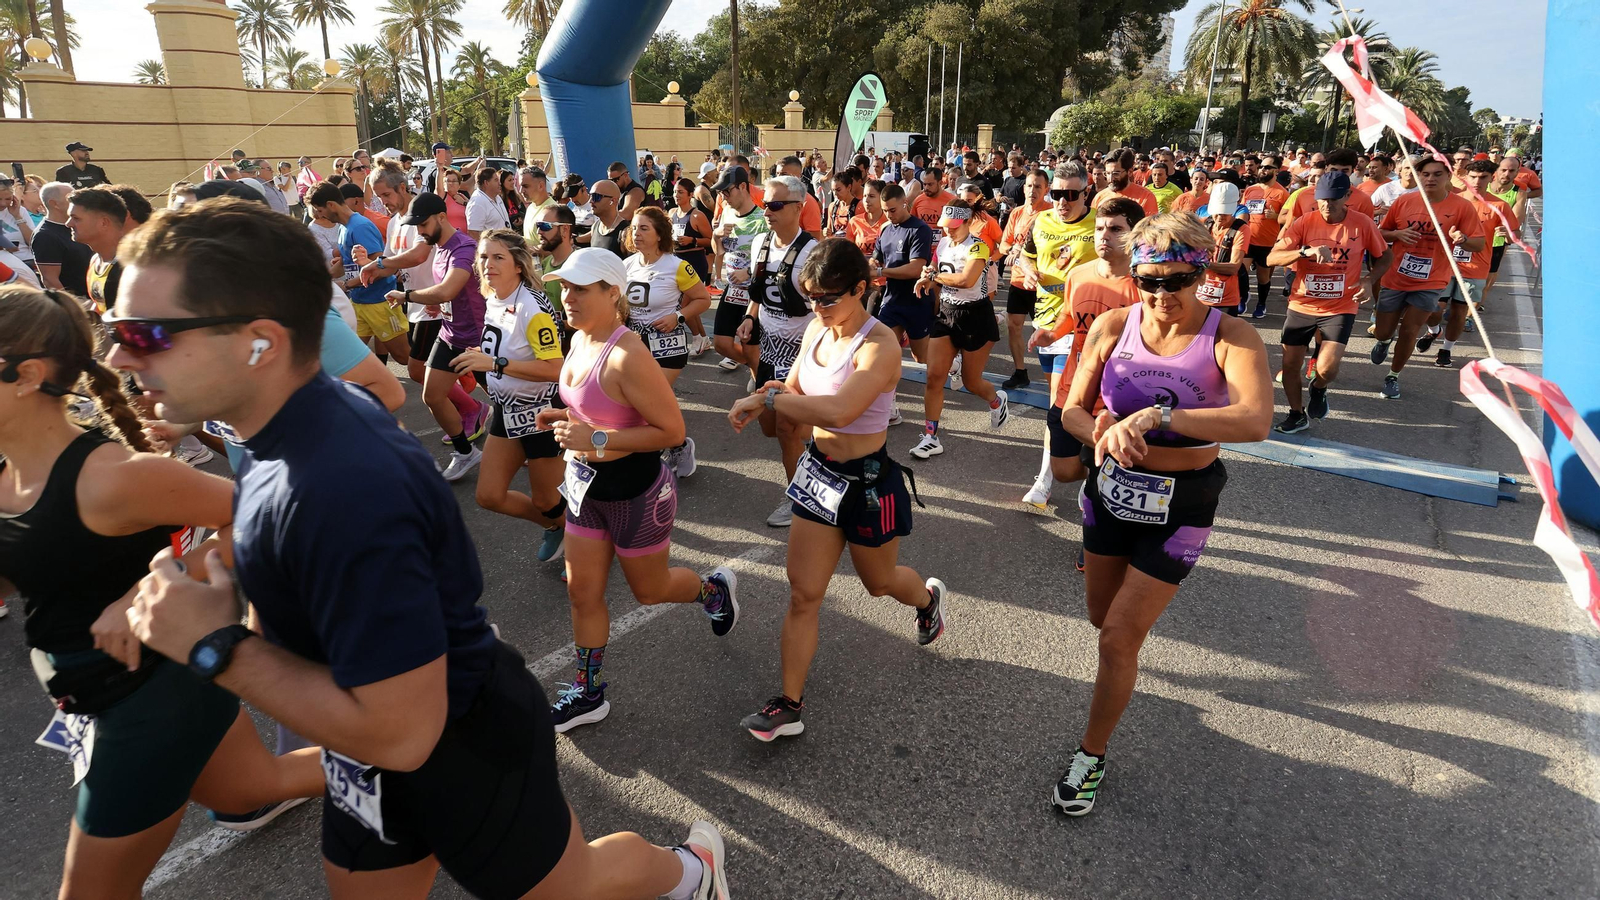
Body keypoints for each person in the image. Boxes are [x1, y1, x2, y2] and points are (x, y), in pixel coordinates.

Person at [116, 201, 733, 900]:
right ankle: (591, 686)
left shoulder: (344, 481)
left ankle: (690, 871)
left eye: (145, 332)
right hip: (364, 747)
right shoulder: (266, 435)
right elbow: (286, 561)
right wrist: (205, 589)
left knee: (574, 882)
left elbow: (403, 733)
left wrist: (212, 647)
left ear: (259, 341)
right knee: (581, 590)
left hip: (453, 741)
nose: (116, 355)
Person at [0, 284, 324, 897]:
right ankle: (428, 752)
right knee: (251, 788)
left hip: (146, 700)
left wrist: (154, 586)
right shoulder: (9, 476)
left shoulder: (113, 478)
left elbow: (271, 512)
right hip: (94, 693)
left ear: (27, 375)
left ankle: (426, 745)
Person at [1052, 211, 1271, 816]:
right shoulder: (1115, 326)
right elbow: (1071, 408)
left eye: (1175, 280)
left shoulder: (1231, 337)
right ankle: (1119, 672)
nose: (1160, 294)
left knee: (1119, 637)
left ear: (1200, 274)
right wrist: (1095, 425)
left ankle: (1090, 754)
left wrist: (1159, 417)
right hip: (1114, 492)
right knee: (1103, 620)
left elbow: (1255, 419)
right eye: (1148, 281)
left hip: (1185, 501)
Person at [726, 238, 944, 741]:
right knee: (804, 594)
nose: (818, 308)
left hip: (868, 480)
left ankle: (928, 600)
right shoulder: (816, 333)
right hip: (821, 475)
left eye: (828, 298)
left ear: (861, 290)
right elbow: (796, 391)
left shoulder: (880, 343)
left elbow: (839, 411)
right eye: (811, 299)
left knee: (880, 583)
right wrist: (763, 395)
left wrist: (773, 404)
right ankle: (788, 704)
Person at [535, 248, 739, 733]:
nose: (568, 297)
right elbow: (599, 410)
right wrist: (567, 419)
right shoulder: (579, 337)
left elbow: (671, 431)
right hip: (586, 488)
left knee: (650, 591)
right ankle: (588, 693)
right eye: (564, 287)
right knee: (582, 592)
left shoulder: (628, 354)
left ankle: (712, 590)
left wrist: (597, 438)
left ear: (613, 293)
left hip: (636, 491)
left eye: (580, 288)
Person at [445, 228, 571, 564]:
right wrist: (482, 357)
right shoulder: (495, 297)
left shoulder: (532, 307)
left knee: (547, 498)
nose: (488, 264)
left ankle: (585, 540)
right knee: (489, 495)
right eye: (484, 257)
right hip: (507, 408)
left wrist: (495, 362)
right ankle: (560, 528)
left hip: (542, 411)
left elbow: (556, 368)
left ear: (518, 264)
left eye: (498, 257)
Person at [1022, 198, 1146, 511]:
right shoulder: (1079, 275)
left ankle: (1098, 502)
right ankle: (1092, 474)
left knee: (1112, 470)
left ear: (1134, 235)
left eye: (1116, 229)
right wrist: (1052, 333)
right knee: (1063, 471)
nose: (1104, 235)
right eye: (1100, 228)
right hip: (1073, 390)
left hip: (1120, 399)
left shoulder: (1145, 286)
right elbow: (1069, 316)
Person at [372, 192, 494, 478]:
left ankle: (535, 444)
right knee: (432, 395)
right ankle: (466, 453)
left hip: (477, 340)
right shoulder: (439, 247)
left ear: (441, 217)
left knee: (508, 398)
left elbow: (449, 288)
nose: (420, 232)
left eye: (423, 225)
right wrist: (438, 304)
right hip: (451, 334)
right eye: (416, 226)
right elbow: (450, 294)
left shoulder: (464, 247)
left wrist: (409, 296)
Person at [1265, 171, 1391, 432]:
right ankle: (1297, 414)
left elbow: (1385, 257)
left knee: (1327, 368)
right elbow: (1271, 259)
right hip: (1302, 304)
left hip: (1341, 306)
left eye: (1333, 199)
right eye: (1322, 199)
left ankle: (1319, 388)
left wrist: (1369, 280)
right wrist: (1303, 251)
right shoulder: (1304, 222)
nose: (1326, 205)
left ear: (1347, 196)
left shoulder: (1362, 224)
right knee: (1289, 365)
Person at [735, 176, 819, 526]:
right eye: (764, 203)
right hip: (769, 349)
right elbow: (759, 293)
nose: (766, 211)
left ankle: (799, 498)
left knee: (785, 429)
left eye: (775, 205)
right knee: (770, 427)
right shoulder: (761, 243)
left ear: (799, 208)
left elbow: (826, 309)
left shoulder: (814, 252)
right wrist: (749, 317)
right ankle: (817, 447)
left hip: (802, 351)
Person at [1370, 154, 1484, 400]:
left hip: (1432, 280)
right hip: (1396, 277)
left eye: (1437, 174)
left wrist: (1463, 240)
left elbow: (1479, 243)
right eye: (1425, 174)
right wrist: (1399, 234)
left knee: (1410, 330)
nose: (1430, 178)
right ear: (1419, 177)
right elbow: (1382, 234)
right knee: (1383, 330)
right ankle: (1383, 341)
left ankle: (1393, 375)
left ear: (1448, 176)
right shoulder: (1404, 202)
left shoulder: (1461, 207)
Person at [907, 199, 1008, 460]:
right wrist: (926, 279)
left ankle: (996, 401)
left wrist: (933, 277)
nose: (948, 231)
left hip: (975, 316)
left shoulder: (978, 246)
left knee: (972, 382)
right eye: (945, 226)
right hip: (947, 315)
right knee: (934, 377)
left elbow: (966, 280)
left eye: (953, 227)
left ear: (967, 222)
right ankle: (931, 436)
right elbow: (934, 269)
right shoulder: (942, 243)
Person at [623, 205, 711, 475]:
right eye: (634, 228)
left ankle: (657, 453)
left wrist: (679, 317)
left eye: (644, 228)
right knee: (645, 403)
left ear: (659, 234)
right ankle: (678, 444)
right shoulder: (626, 265)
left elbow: (703, 299)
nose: (636, 233)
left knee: (647, 400)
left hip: (667, 344)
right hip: (634, 345)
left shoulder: (676, 266)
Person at [1414, 160, 1517, 368]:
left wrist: (1508, 235)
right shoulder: (1452, 201)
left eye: (1483, 177)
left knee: (1459, 313)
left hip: (1475, 269)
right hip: (1443, 265)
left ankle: (1446, 349)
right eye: (1473, 177)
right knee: (1433, 309)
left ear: (1492, 178)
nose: (1477, 181)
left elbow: (1514, 236)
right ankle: (1434, 331)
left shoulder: (1499, 206)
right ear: (1465, 177)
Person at [308, 181, 413, 368]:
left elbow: (381, 267)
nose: (319, 214)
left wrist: (347, 285)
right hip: (359, 302)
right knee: (349, 358)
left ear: (331, 205)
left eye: (320, 209)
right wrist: (322, 279)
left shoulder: (360, 226)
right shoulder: (343, 227)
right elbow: (344, 262)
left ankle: (444, 376)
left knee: (405, 358)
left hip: (380, 302)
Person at [869, 183, 937, 369]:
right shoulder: (885, 229)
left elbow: (916, 268)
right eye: (885, 211)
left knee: (921, 357)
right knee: (883, 354)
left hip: (917, 301)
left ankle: (951, 366)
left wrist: (881, 272)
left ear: (905, 203)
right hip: (892, 300)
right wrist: (872, 264)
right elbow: (877, 259)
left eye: (892, 210)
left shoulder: (919, 229)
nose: (889, 215)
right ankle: (888, 396)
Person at [65, 186, 128, 315]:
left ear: (104, 223)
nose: (68, 224)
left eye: (76, 218)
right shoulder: (96, 259)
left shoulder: (130, 266)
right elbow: (100, 307)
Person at [1240, 155, 1290, 318]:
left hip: (1267, 242)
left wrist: (1276, 216)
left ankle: (1261, 304)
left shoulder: (1282, 193)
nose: (1263, 169)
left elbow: (1289, 219)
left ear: (1276, 171)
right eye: (1262, 166)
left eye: (1268, 167)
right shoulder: (1251, 189)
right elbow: (1242, 210)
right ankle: (1243, 296)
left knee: (1263, 277)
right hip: (1248, 238)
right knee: (1240, 270)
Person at [1196, 182, 1249, 317]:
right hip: (1199, 295)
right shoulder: (1205, 223)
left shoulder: (1241, 230)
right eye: (1217, 212)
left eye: (1225, 213)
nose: (1220, 217)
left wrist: (1203, 263)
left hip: (1225, 299)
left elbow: (1233, 267)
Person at [31, 182, 93, 297]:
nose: (76, 203)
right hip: (80, 302)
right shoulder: (45, 236)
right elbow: (50, 280)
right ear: (54, 204)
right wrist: (74, 307)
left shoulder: (75, 225)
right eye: (70, 199)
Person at [1094, 150, 1159, 217]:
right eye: (1107, 173)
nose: (1111, 179)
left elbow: (1149, 226)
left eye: (1116, 174)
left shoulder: (1145, 197)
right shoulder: (1099, 197)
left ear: (1130, 172)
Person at [466, 167, 512, 240]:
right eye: (496, 180)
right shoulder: (477, 202)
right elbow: (473, 233)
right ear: (486, 183)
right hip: (492, 249)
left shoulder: (497, 197)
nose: (500, 183)